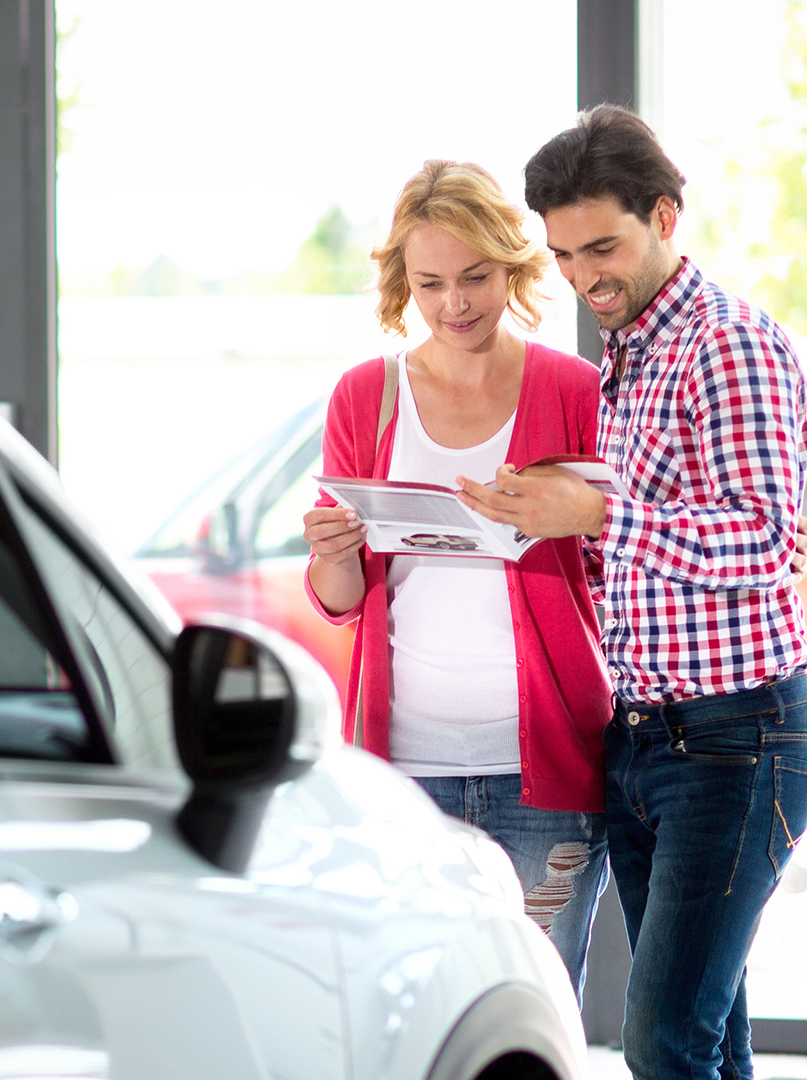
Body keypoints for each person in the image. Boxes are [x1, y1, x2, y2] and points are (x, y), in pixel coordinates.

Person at [457, 106, 807, 1080]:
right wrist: (529, 514)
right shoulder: (630, 358)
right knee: (705, 1040)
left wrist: (595, 517)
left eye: (604, 247)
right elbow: (650, 548)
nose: (584, 278)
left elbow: (768, 543)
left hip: (737, 745)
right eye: (565, 255)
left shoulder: (726, 346)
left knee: (663, 1042)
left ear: (667, 216)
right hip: (646, 741)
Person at [301, 160, 613, 998]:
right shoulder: (365, 397)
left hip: (545, 765)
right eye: (431, 283)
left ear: (512, 266)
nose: (456, 304)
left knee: (538, 1002)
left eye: (475, 278)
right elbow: (341, 600)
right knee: (410, 1008)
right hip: (401, 768)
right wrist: (334, 551)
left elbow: (620, 564)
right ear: (404, 282)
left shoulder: (576, 390)